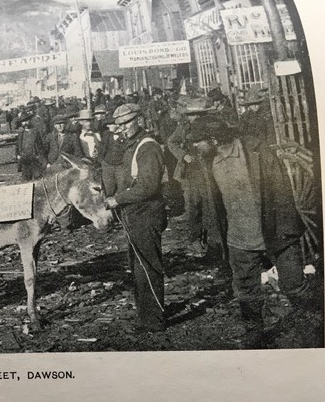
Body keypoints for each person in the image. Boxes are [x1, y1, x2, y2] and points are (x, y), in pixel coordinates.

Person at [188, 117, 310, 347]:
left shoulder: (255, 151)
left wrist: (287, 231)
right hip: (239, 239)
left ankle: (313, 323)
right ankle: (255, 333)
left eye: (198, 141)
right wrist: (198, 234)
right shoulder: (205, 163)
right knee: (246, 292)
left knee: (294, 286)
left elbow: (282, 192)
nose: (194, 146)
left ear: (213, 140)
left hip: (276, 233)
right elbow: (199, 201)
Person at [105, 103, 167, 332]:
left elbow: (148, 187)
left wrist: (117, 199)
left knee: (147, 268)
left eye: (126, 123)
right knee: (138, 268)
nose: (121, 129)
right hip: (134, 215)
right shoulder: (132, 145)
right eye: (118, 125)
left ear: (139, 120)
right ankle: (146, 316)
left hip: (146, 214)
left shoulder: (147, 147)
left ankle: (154, 321)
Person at [167, 97, 221, 256]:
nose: (195, 118)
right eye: (192, 115)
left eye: (198, 115)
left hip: (212, 168)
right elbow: (172, 143)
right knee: (195, 205)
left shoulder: (212, 125)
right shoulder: (184, 127)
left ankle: (214, 240)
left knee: (212, 203)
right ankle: (195, 240)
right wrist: (183, 156)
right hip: (193, 170)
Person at [97, 114, 127, 197]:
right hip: (107, 166)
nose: (107, 125)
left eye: (110, 124)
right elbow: (102, 149)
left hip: (121, 166)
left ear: (117, 124)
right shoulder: (106, 134)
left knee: (122, 188)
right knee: (108, 189)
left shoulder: (125, 135)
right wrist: (101, 162)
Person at [16, 110, 47, 180]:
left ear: (30, 120)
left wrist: (40, 157)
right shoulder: (21, 134)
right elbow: (18, 146)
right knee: (26, 178)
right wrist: (18, 156)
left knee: (38, 177)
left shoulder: (36, 132)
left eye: (26, 121)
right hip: (25, 159)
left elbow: (41, 145)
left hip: (35, 159)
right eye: (23, 121)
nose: (25, 123)